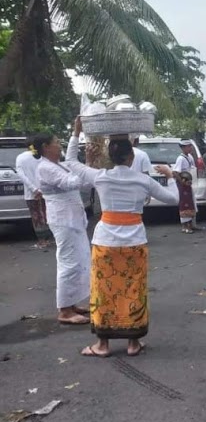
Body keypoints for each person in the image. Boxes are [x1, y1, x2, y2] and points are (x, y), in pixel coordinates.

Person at [66, 119, 179, 357]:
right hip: (133, 243)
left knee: (103, 291)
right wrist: (170, 176)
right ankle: (132, 343)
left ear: (111, 156)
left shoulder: (100, 177)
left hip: (106, 242)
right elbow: (173, 200)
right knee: (133, 290)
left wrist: (76, 134)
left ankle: (103, 345)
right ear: (131, 157)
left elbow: (69, 162)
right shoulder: (143, 180)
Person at [35, 133, 91, 325]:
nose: (60, 146)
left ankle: (72, 302)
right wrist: (88, 170)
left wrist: (76, 136)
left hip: (73, 219)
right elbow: (71, 182)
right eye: (56, 143)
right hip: (63, 220)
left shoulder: (60, 164)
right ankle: (64, 310)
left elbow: (73, 164)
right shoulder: (45, 167)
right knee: (68, 262)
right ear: (45, 147)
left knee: (80, 259)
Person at [16, 142, 53, 248]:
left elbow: (22, 176)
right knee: (46, 214)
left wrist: (34, 189)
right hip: (45, 191)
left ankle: (41, 241)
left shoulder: (20, 157)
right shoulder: (42, 157)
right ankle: (48, 239)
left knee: (36, 216)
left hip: (31, 193)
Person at [173, 140, 198, 233]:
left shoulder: (189, 157)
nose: (190, 148)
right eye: (188, 146)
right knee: (184, 204)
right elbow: (175, 172)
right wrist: (182, 182)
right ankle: (184, 226)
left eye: (190, 146)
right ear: (183, 148)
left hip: (189, 183)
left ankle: (191, 224)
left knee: (191, 203)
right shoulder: (181, 159)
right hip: (183, 184)